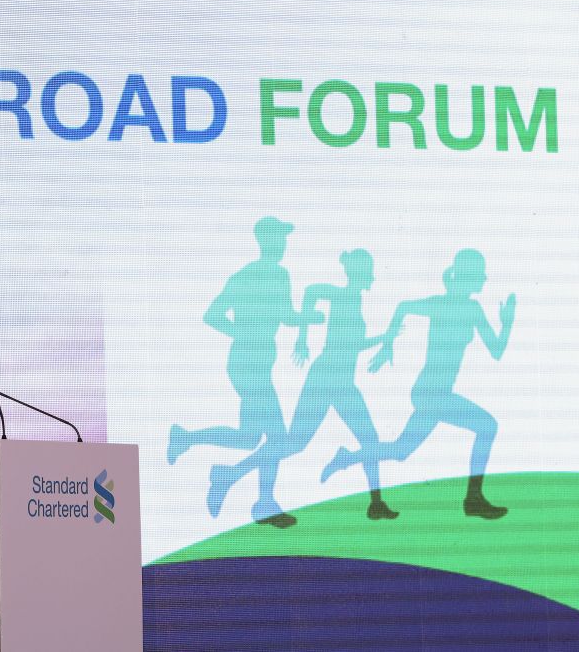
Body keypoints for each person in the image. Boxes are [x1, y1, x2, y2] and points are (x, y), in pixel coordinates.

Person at [321, 249, 516, 519]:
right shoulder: (441, 304)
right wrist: (388, 342)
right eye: (480, 274)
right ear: (467, 275)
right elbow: (403, 307)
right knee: (487, 426)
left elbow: (495, 350)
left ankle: (347, 458)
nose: (484, 279)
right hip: (429, 392)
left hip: (437, 394)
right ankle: (473, 500)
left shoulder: (473, 310)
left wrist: (506, 324)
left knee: (401, 451)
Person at [205, 250, 397, 523]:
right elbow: (313, 293)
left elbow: (349, 344)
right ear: (360, 273)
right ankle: (230, 475)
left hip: (342, 382)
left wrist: (383, 338)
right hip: (325, 379)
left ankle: (376, 504)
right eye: (369, 271)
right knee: (293, 443)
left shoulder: (352, 300)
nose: (373, 277)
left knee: (368, 440)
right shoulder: (343, 296)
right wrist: (303, 337)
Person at [167, 216, 322, 527]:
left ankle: (190, 442)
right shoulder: (253, 275)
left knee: (250, 438)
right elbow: (212, 315)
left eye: (284, 239)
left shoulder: (277, 275)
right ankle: (248, 491)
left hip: (256, 362)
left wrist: (306, 318)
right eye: (279, 238)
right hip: (248, 363)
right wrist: (243, 333)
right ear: (266, 241)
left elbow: (286, 316)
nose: (283, 244)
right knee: (279, 438)